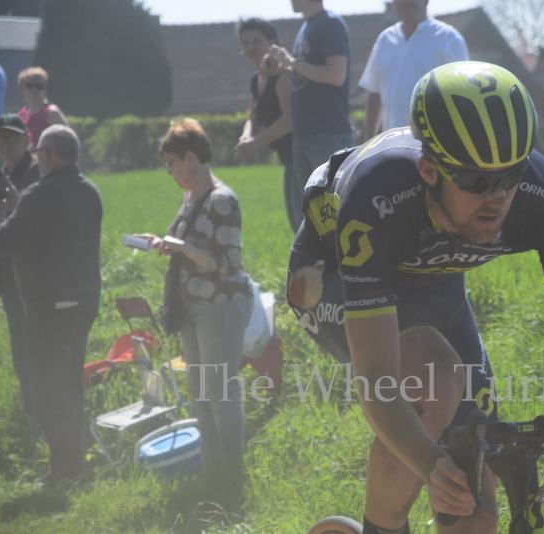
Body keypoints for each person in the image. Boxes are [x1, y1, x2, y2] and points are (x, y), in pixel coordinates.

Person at [286, 62, 544, 534]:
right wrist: (429, 464)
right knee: (435, 383)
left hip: (437, 283)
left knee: (476, 507)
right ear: (428, 170)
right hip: (331, 274)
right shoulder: (377, 199)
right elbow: (377, 378)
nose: (498, 196)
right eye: (475, 180)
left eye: (510, 175)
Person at [135, 118, 253, 508]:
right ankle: (211, 466)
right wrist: (166, 244)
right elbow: (186, 245)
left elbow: (226, 263)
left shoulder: (222, 199)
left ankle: (231, 471)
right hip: (193, 309)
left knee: (220, 391)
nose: (168, 172)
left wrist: (181, 247)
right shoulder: (189, 197)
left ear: (190, 158)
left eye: (170, 163)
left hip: (220, 307)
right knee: (200, 393)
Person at [0, 124, 101, 488]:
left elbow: (8, 240)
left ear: (47, 156)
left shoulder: (39, 194)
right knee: (71, 383)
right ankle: (78, 463)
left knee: (47, 390)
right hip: (83, 303)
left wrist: (11, 213)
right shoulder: (90, 191)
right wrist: (19, 207)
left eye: (39, 152)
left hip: (48, 307)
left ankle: (65, 470)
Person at [269, 0, 352, 233]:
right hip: (305, 135)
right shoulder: (306, 27)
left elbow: (336, 74)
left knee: (333, 215)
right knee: (309, 218)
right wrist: (287, 69)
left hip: (328, 134)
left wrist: (293, 62)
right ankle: (314, 268)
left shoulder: (330, 24)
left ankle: (339, 269)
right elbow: (310, 74)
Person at [359, 0, 468, 140]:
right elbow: (374, 92)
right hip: (391, 144)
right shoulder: (385, 39)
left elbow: (462, 96)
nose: (406, 2)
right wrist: (369, 142)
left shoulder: (449, 38)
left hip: (434, 145)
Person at [0, 114, 40, 421]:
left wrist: (15, 208)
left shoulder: (38, 173)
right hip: (6, 274)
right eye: (0, 137)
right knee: (18, 347)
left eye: (12, 137)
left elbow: (42, 226)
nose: (6, 143)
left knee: (30, 348)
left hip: (31, 276)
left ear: (27, 140)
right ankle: (30, 411)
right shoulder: (1, 173)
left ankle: (38, 415)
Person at [234, 18, 294, 226]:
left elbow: (289, 120)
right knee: (297, 222)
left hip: (302, 155)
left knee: (307, 223)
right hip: (288, 159)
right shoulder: (255, 80)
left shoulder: (282, 76)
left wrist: (254, 144)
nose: (251, 47)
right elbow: (253, 118)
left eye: (256, 40)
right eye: (246, 42)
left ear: (272, 42)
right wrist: (245, 136)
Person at [17, 66, 68, 150]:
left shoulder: (52, 113)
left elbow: (68, 142)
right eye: (29, 86)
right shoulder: (21, 116)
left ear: (45, 90)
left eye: (39, 86)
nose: (34, 89)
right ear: (23, 90)